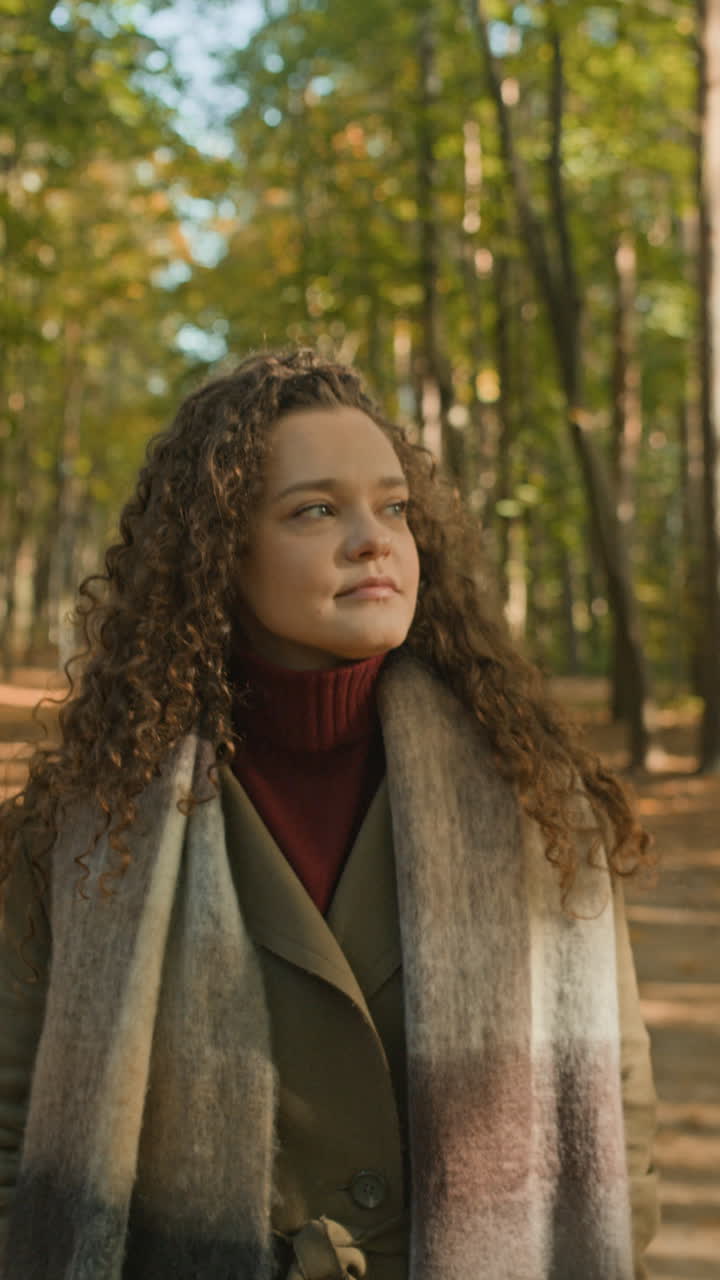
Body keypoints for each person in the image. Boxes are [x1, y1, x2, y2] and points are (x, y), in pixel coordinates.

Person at [0, 346, 658, 1279]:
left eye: (392, 507)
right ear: (219, 551)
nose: (373, 539)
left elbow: (619, 1124)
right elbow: (12, 1127)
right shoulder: (86, 825)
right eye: (315, 510)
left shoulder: (536, 799)